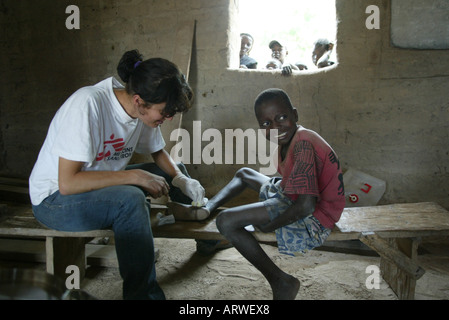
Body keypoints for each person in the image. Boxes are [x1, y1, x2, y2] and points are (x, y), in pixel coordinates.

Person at [29, 49, 207, 300]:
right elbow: (68, 183)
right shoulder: (89, 103)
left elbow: (158, 152)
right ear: (138, 100)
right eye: (165, 113)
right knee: (130, 199)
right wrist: (134, 178)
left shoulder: (141, 111)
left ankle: (209, 239)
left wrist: (180, 179)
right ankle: (143, 296)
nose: (167, 119)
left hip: (93, 187)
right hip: (54, 200)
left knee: (170, 171)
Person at [171, 88, 345, 299]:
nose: (275, 127)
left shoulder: (303, 145)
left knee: (226, 222)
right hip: (292, 196)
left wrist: (270, 226)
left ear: (295, 115)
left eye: (282, 117)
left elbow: (306, 205)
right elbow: (291, 188)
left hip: (314, 218)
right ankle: (206, 208)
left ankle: (281, 281)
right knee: (244, 174)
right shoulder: (290, 141)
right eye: (266, 124)